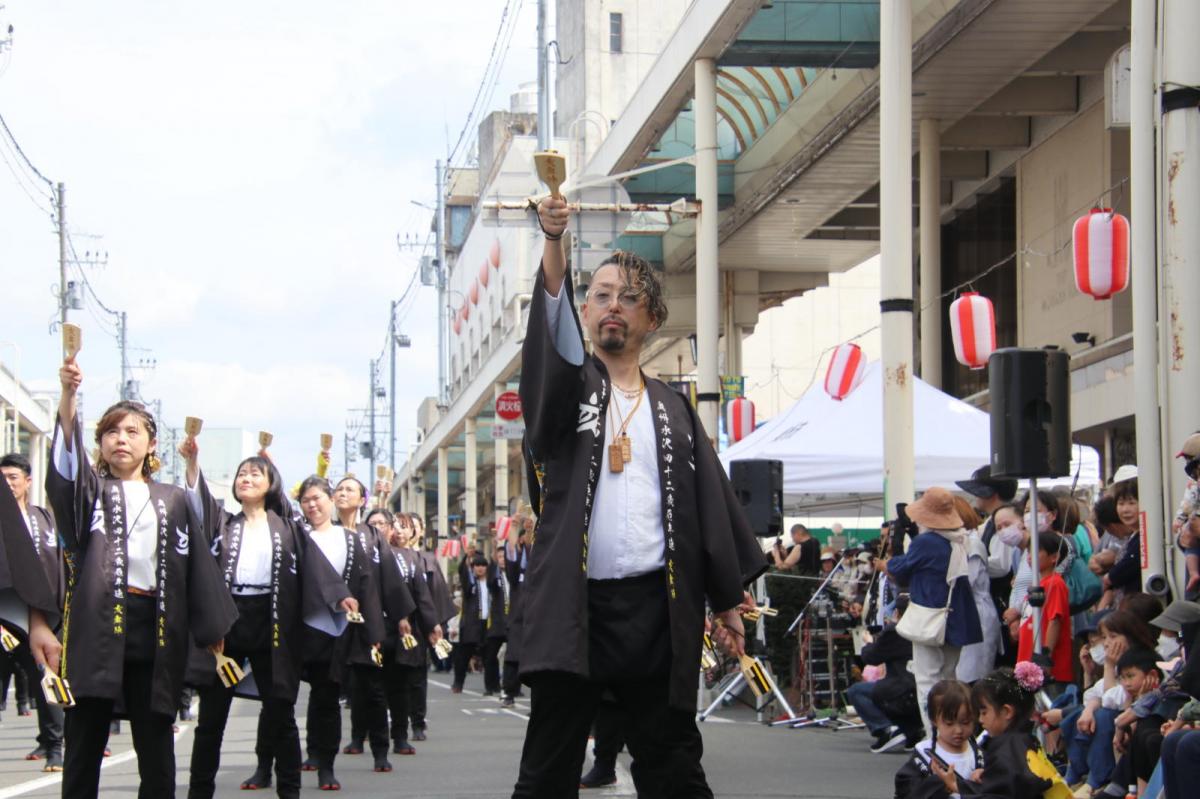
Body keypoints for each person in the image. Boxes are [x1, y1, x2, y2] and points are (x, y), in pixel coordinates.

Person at [511, 196, 766, 798]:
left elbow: (709, 507)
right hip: (576, 608)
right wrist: (555, 244)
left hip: (657, 609)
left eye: (628, 297)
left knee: (674, 766)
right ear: (583, 311)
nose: (613, 307)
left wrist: (727, 600)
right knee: (548, 771)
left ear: (652, 318)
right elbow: (550, 348)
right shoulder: (569, 389)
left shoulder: (675, 408)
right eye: (600, 295)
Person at [45, 354, 236, 799]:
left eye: (133, 432)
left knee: (155, 745)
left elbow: (202, 549)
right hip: (97, 624)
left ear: (152, 444)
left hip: (155, 626)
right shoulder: (89, 492)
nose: (121, 440)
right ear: (100, 442)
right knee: (84, 743)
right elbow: (64, 474)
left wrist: (210, 629)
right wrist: (69, 397)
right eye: (111, 431)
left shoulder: (171, 499)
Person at [182, 448, 347, 799]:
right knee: (210, 720)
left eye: (256, 473)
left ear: (271, 484)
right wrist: (193, 462)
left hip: (271, 621)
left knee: (281, 713)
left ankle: (289, 791)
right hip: (228, 621)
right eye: (242, 473)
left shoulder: (288, 529)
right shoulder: (223, 523)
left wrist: (340, 595)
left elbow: (316, 567)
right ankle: (199, 793)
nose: (247, 478)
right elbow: (197, 502)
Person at [294, 476, 383, 791]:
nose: (313, 505)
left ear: (330, 500)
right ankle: (267, 765)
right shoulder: (294, 535)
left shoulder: (349, 539)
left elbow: (366, 586)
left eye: (318, 498)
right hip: (297, 628)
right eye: (306, 500)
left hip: (334, 629)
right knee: (279, 699)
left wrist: (373, 632)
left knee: (326, 697)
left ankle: (326, 765)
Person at [880, 487, 983, 736]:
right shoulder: (961, 539)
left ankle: (935, 738)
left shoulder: (926, 542)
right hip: (958, 618)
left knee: (927, 681)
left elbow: (900, 569)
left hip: (931, 616)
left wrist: (887, 563)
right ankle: (955, 734)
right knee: (950, 679)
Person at [335, 476, 413, 773]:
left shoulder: (373, 537)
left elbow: (390, 579)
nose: (343, 493)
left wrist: (401, 616)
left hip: (366, 621)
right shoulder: (321, 531)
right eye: (339, 489)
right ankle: (318, 752)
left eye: (349, 489)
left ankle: (381, 750)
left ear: (362, 499)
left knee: (372, 689)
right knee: (326, 689)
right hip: (330, 620)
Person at [0, 452, 66, 770]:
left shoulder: (45, 519)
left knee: (45, 677)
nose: (6, 483)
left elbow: (61, 565)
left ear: (27, 482)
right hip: (3, 612)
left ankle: (54, 746)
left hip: (39, 614)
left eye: (12, 477)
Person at [934, 663, 1071, 798]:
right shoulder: (1025, 741)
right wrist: (989, 775)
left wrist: (955, 785)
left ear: (1006, 711)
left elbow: (995, 794)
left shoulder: (1007, 751)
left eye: (984, 712)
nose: (980, 720)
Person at [372, 509, 441, 755]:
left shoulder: (413, 558)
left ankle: (401, 735)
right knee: (372, 686)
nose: (397, 530)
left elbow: (422, 594)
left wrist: (432, 624)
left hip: (405, 630)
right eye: (376, 524)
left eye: (402, 526)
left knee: (401, 683)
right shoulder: (374, 553)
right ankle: (367, 738)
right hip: (373, 627)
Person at [894, 679, 983, 799]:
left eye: (965, 722)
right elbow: (907, 791)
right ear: (934, 720)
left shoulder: (979, 753)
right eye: (949, 723)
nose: (958, 730)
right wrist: (937, 784)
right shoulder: (924, 754)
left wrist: (983, 778)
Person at [952, 497, 1002, 684]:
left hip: (976, 614)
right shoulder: (962, 543)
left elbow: (966, 582)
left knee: (973, 677)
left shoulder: (971, 545)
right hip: (968, 613)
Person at [1015, 532, 1074, 687]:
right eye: (1028, 552)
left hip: (1046, 669)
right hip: (1030, 664)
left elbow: (1055, 620)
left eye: (1035, 552)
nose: (1029, 557)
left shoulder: (1055, 583)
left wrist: (1045, 657)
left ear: (1054, 557)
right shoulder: (1040, 584)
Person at [453, 554, 490, 693]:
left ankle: (491, 686)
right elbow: (463, 573)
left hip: (486, 624)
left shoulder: (490, 583)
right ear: (473, 568)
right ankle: (458, 683)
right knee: (463, 657)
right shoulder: (471, 583)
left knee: (488, 657)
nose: (480, 568)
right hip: (470, 625)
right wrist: (466, 558)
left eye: (483, 565)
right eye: (477, 566)